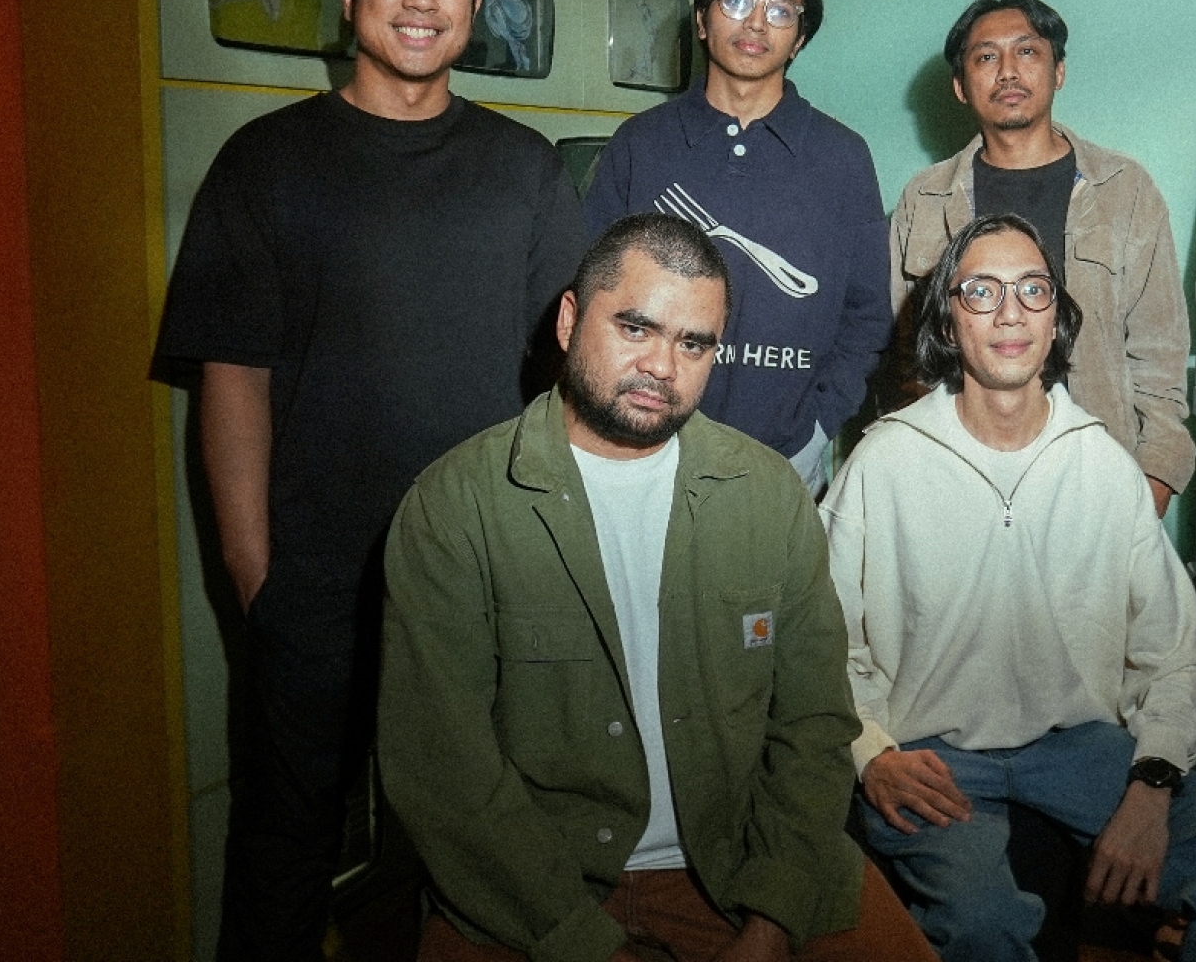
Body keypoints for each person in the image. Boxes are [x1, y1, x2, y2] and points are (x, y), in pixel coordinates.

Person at [152, 0, 588, 962]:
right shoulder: (266, 163)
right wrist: (256, 574)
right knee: (285, 849)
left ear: (475, 7)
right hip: (318, 585)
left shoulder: (524, 171)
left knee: (479, 853)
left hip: (485, 580)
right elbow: (233, 380)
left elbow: (568, 375)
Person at [378, 215, 936, 962]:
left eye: (693, 343)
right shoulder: (455, 505)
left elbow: (812, 728)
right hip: (533, 884)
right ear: (570, 321)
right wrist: (580, 943)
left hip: (742, 861)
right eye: (636, 328)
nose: (663, 367)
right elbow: (444, 772)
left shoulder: (769, 495)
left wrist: (771, 922)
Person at [826, 214, 1196, 962]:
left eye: (1032, 289)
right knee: (983, 923)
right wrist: (871, 753)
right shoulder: (882, 464)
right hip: (931, 755)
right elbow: (822, 643)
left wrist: (1152, 786)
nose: (1010, 312)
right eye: (981, 291)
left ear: (1056, 318)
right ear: (947, 319)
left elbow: (1177, 655)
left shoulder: (1104, 467)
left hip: (1078, 748)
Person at [584, 0, 891, 494]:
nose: (756, 23)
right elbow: (589, 296)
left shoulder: (842, 158)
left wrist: (816, 430)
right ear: (702, 20)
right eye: (737, 0)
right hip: (641, 449)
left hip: (787, 461)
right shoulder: (641, 145)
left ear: (799, 38)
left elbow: (867, 317)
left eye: (780, 10)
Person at [888, 0, 1194, 515]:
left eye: (1027, 51)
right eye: (987, 56)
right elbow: (900, 357)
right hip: (957, 477)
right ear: (960, 86)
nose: (1008, 71)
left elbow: (1160, 353)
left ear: (1059, 72)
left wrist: (1155, 479)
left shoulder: (1125, 190)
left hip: (1097, 476)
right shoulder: (926, 197)